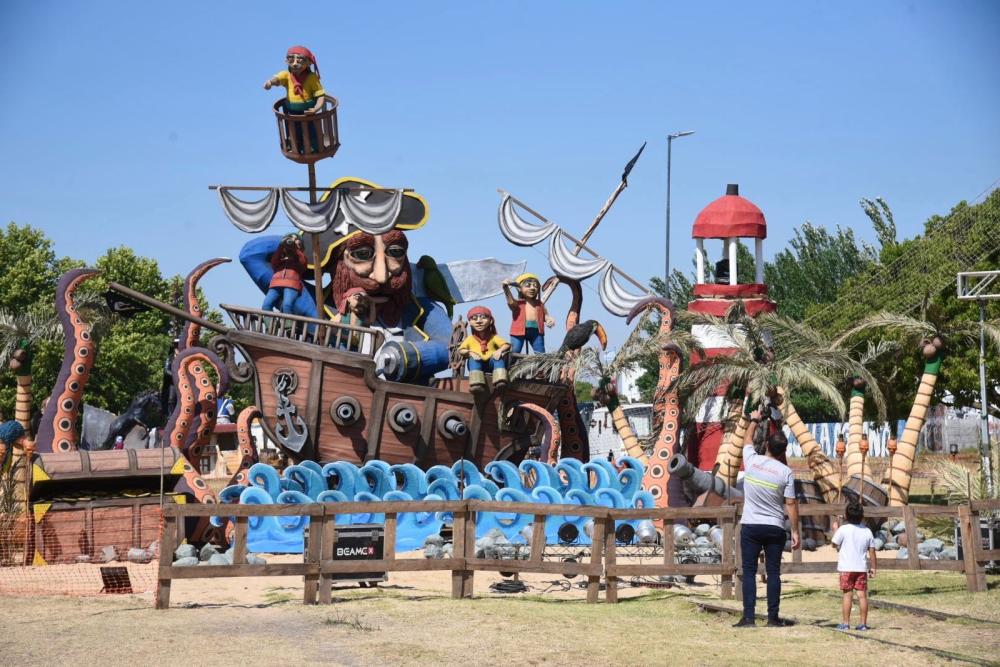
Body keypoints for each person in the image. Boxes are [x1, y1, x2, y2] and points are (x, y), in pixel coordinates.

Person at [734, 409, 799, 628]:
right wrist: (796, 531)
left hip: (751, 525)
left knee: (749, 572)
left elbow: (747, 440)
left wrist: (753, 419)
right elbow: (791, 503)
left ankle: (749, 617)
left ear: (768, 446)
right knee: (773, 573)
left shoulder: (753, 461)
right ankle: (772, 618)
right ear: (783, 451)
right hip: (774, 527)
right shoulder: (786, 473)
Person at [264, 46, 325, 152]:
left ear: (308, 63)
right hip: (291, 112)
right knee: (294, 131)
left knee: (309, 131)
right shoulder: (287, 75)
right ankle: (296, 146)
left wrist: (316, 108)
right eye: (291, 60)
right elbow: (278, 79)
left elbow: (320, 95)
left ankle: (313, 147)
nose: (295, 63)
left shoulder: (312, 78)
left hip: (307, 112)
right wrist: (270, 83)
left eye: (300, 60)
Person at [832, 501, 877, 631]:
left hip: (846, 568)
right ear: (862, 516)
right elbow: (872, 551)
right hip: (861, 568)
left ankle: (846, 623)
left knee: (847, 595)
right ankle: (863, 623)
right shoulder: (867, 531)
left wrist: (835, 530)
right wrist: (873, 568)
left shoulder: (843, 529)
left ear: (846, 515)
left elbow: (834, 544)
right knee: (862, 595)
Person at [458, 306, 511, 393]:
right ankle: (476, 384)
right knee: (473, 360)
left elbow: (506, 345)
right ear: (469, 322)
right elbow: (461, 350)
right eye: (474, 318)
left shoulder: (493, 337)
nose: (479, 321)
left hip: (491, 363)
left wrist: (499, 350)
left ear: (490, 321)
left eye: (483, 317)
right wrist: (470, 352)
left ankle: (500, 380)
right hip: (477, 363)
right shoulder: (470, 339)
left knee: (498, 358)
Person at [502, 273, 555, 354]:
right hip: (519, 331)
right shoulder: (518, 303)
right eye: (528, 285)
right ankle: (509, 365)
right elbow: (511, 302)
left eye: (535, 286)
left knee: (540, 353)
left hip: (536, 332)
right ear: (520, 288)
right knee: (515, 351)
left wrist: (549, 319)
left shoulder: (540, 304)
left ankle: (541, 366)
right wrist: (506, 289)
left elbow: (545, 315)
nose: (532, 288)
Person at [262, 234, 307, 314]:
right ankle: (271, 325)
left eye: (296, 239)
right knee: (266, 305)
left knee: (287, 305)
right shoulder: (280, 260)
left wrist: (295, 249)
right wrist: (281, 246)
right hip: (276, 284)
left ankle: (288, 326)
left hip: (292, 284)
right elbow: (274, 262)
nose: (292, 241)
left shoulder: (301, 259)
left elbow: (303, 262)